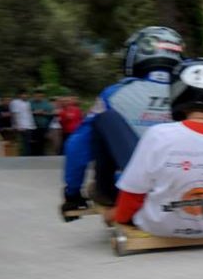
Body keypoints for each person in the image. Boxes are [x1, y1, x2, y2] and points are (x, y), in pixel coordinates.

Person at [102, 58, 203, 238]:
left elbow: (133, 193)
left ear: (178, 91)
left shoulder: (158, 134)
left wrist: (118, 217)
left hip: (157, 227)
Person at [61, 26, 184, 216]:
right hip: (190, 186)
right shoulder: (194, 93)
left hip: (137, 190)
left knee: (101, 122)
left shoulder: (115, 94)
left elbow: (77, 146)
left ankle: (110, 194)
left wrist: (72, 193)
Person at [9, 90, 36, 156]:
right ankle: (20, 156)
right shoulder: (15, 102)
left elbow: (29, 114)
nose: (25, 96)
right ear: (19, 95)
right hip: (20, 126)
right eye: (23, 94)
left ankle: (27, 156)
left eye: (26, 94)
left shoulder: (27, 103)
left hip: (28, 125)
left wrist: (32, 125)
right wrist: (17, 126)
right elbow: (14, 114)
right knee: (21, 143)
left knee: (27, 142)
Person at [30, 89, 55, 156]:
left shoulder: (47, 104)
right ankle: (32, 156)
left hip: (43, 126)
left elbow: (52, 114)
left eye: (40, 96)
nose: (38, 97)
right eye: (36, 96)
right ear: (34, 96)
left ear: (43, 96)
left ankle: (41, 156)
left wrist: (43, 113)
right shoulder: (30, 103)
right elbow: (26, 112)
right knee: (33, 143)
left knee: (42, 142)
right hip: (32, 126)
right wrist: (34, 112)